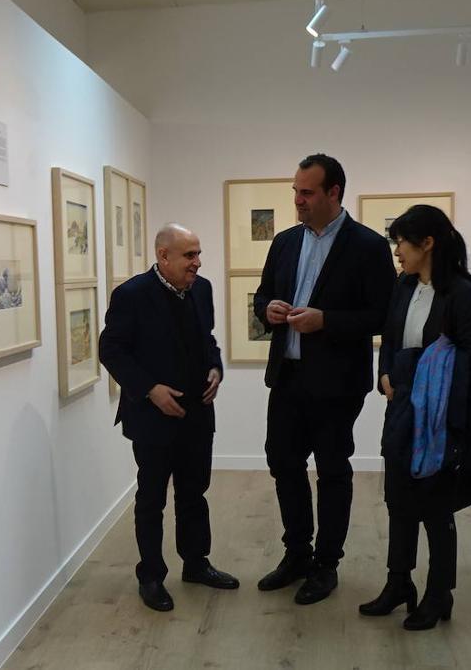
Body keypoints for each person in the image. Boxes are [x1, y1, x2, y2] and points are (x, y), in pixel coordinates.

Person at [252, 154, 396, 605]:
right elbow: (261, 297)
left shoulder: (368, 246)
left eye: (307, 192)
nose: (298, 200)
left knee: (332, 472)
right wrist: (270, 310)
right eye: (296, 190)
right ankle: (296, 554)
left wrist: (327, 321)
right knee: (283, 463)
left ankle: (326, 564)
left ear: (334, 193)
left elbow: (383, 316)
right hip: (288, 377)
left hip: (337, 384)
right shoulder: (285, 242)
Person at [358, 205, 471, 630]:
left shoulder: (460, 294)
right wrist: (385, 375)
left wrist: (430, 382)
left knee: (435, 508)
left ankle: (439, 594)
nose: (397, 250)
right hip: (402, 408)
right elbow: (392, 340)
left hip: (440, 416)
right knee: (398, 500)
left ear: (427, 243)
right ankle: (399, 583)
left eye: (401, 241)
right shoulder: (403, 286)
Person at [99, 223, 239, 612]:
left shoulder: (202, 289)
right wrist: (150, 389)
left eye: (198, 254)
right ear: (163, 256)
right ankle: (152, 576)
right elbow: (111, 350)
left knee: (195, 493)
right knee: (152, 498)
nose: (197, 262)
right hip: (152, 417)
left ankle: (196, 563)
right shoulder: (131, 295)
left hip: (197, 413)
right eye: (189, 255)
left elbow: (207, 340)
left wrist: (216, 369)